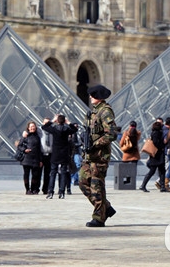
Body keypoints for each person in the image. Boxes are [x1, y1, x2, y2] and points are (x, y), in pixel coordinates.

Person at [79, 84, 117, 227]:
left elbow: (111, 134)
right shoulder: (92, 112)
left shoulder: (105, 112)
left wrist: (96, 144)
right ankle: (105, 208)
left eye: (92, 95)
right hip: (89, 156)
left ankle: (99, 218)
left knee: (97, 187)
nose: (90, 97)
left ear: (98, 97)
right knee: (83, 183)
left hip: (100, 156)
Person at [42, 115, 77, 199]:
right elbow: (75, 129)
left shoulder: (54, 129)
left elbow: (44, 127)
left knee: (53, 173)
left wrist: (52, 120)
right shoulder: (67, 129)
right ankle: (62, 192)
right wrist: (68, 123)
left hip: (55, 153)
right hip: (64, 153)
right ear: (64, 121)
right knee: (63, 173)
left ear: (57, 121)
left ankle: (50, 192)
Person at [139, 121, 167, 193]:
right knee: (155, 171)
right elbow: (156, 143)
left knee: (160, 171)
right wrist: (162, 145)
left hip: (155, 155)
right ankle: (143, 185)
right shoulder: (157, 133)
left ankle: (162, 186)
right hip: (157, 155)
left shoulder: (154, 132)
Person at [18, 121, 42, 194]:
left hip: (35, 158)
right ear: (28, 128)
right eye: (31, 127)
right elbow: (19, 146)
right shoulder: (25, 136)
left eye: (33, 126)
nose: (32, 128)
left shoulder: (38, 136)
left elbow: (39, 149)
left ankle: (33, 189)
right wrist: (25, 150)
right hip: (27, 158)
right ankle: (27, 189)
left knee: (35, 175)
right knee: (26, 174)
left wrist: (41, 160)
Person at [38, 122, 53, 194]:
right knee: (38, 173)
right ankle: (36, 188)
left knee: (47, 174)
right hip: (41, 155)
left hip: (50, 155)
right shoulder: (39, 131)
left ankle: (45, 189)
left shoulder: (52, 131)